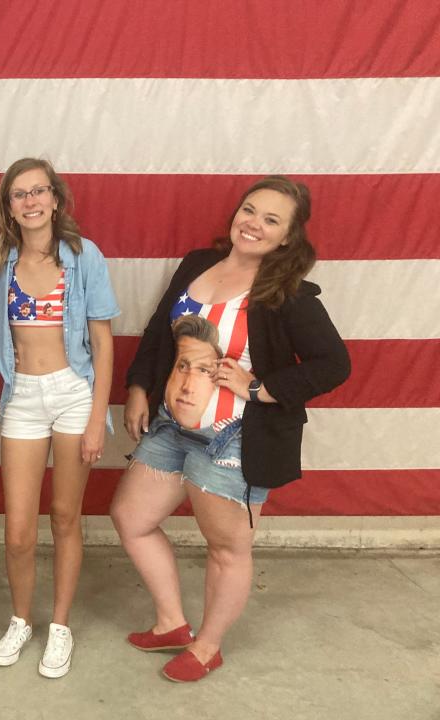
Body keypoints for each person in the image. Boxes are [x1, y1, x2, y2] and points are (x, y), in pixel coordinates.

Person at [111, 176, 350, 682]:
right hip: (170, 425)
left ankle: (207, 647)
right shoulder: (198, 264)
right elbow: (160, 331)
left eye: (271, 220)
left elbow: (334, 364)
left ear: (287, 237)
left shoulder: (286, 292)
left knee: (226, 547)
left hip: (234, 438)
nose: (254, 224)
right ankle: (173, 623)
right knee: (131, 517)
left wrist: (259, 386)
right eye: (249, 210)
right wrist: (137, 388)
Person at [0, 158, 120, 678]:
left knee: (64, 516)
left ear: (56, 199)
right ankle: (21, 619)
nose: (31, 201)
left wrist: (98, 416)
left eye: (39, 191)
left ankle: (60, 625)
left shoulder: (84, 256)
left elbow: (102, 343)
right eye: (19, 194)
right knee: (18, 531)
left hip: (73, 393)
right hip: (23, 396)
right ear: (8, 206)